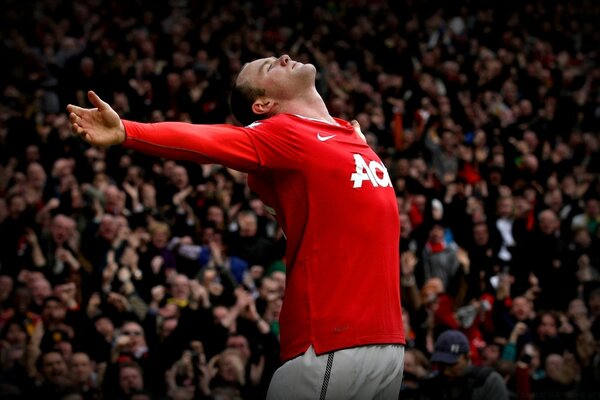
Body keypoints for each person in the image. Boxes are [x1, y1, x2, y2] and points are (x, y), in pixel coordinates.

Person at [67, 53, 405, 398]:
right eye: (269, 66)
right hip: (331, 340)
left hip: (388, 344)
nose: (284, 57)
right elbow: (204, 140)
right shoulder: (283, 132)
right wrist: (128, 131)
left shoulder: (348, 135)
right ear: (263, 104)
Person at [419, 329, 509, 400]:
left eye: (452, 364)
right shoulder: (432, 385)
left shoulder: (488, 381)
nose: (445, 371)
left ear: (467, 357)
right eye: (441, 364)